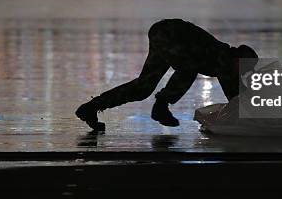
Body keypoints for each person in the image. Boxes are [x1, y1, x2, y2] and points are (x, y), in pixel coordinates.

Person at [75, 19, 259, 131]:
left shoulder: (225, 60)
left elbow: (236, 96)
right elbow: (236, 98)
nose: (242, 73)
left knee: (143, 88)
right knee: (188, 68)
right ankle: (161, 106)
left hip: (162, 33)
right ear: (239, 60)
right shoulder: (223, 58)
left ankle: (90, 108)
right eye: (244, 68)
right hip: (170, 33)